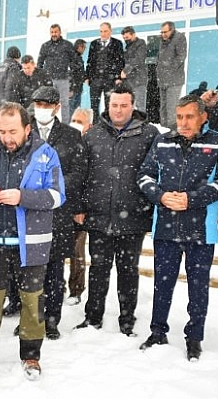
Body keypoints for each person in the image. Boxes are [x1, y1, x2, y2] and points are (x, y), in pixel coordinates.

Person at [0, 101, 65, 380]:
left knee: (32, 301)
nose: (7, 137)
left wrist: (24, 197)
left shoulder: (46, 155)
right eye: (3, 131)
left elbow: (57, 196)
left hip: (30, 244)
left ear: (27, 128)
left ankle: (31, 355)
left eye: (13, 131)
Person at [136, 95, 218, 361]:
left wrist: (193, 199)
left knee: (198, 287)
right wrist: (160, 196)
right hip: (165, 228)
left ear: (203, 116)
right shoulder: (163, 141)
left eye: (190, 116)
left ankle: (194, 338)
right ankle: (157, 331)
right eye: (180, 117)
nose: (183, 122)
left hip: (201, 231)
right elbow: (144, 176)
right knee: (162, 284)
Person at [74, 85, 158, 335]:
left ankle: (127, 319)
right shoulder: (93, 135)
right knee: (98, 269)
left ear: (133, 106)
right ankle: (93, 317)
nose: (118, 110)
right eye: (114, 105)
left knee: (128, 270)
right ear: (107, 106)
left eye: (124, 105)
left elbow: (155, 172)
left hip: (133, 216)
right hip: (99, 215)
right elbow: (81, 173)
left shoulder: (149, 134)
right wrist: (79, 206)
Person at [30, 86, 87, 340]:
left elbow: (79, 171)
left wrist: (53, 186)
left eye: (47, 104)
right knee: (31, 271)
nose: (42, 108)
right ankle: (31, 319)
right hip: (29, 213)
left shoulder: (71, 136)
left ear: (57, 107)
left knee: (54, 272)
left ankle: (52, 320)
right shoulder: (24, 130)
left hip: (58, 213)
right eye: (38, 103)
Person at [66, 108, 93, 305]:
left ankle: (76, 289)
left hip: (81, 208)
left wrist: (81, 207)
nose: (75, 123)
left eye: (80, 121)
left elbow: (88, 180)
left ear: (88, 125)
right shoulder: (66, 142)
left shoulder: (91, 145)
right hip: (62, 207)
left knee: (77, 252)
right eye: (73, 119)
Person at [37, 24, 82, 124]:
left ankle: (65, 125)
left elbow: (75, 61)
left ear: (60, 32)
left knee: (64, 104)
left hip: (63, 79)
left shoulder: (67, 45)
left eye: (56, 32)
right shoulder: (45, 46)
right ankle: (47, 122)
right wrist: (41, 77)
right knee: (47, 102)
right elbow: (40, 62)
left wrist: (70, 72)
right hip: (49, 80)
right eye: (52, 32)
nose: (54, 34)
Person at [86, 22, 125, 123]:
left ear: (110, 31)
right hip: (96, 79)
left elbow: (120, 62)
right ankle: (95, 126)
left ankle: (108, 125)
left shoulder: (117, 44)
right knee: (94, 105)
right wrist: (88, 77)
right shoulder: (94, 44)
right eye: (101, 31)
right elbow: (90, 61)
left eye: (105, 31)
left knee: (109, 104)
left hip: (110, 80)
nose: (103, 34)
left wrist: (118, 77)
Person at [157, 21, 187, 129]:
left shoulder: (179, 38)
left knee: (172, 106)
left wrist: (169, 69)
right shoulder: (162, 40)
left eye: (165, 32)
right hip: (163, 79)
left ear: (172, 30)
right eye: (162, 32)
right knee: (163, 106)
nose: (163, 34)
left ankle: (172, 130)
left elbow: (181, 57)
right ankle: (163, 128)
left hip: (174, 79)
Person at [120, 26, 148, 113]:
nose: (126, 39)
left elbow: (138, 59)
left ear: (133, 35)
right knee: (129, 106)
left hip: (139, 79)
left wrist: (125, 70)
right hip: (129, 81)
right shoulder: (127, 47)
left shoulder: (141, 44)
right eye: (124, 38)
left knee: (140, 106)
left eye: (127, 37)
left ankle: (142, 125)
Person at [69, 39, 87, 114]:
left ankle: (74, 125)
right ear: (79, 47)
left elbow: (80, 72)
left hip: (77, 88)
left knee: (76, 110)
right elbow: (69, 73)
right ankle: (69, 125)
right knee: (71, 110)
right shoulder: (72, 57)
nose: (84, 50)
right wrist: (70, 88)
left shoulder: (78, 57)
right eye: (84, 48)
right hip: (73, 89)